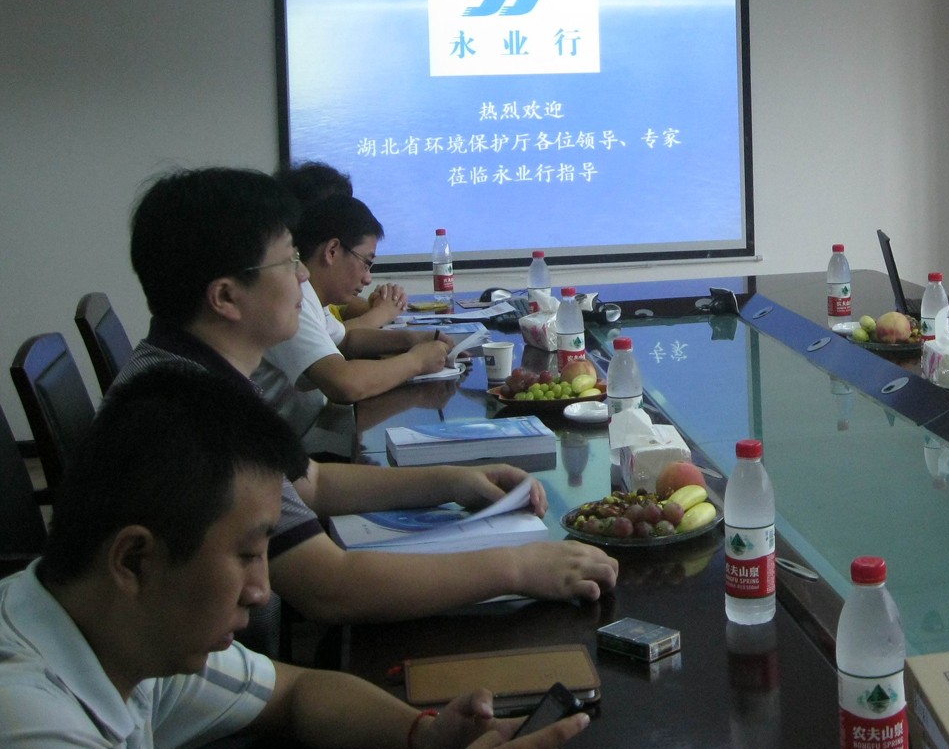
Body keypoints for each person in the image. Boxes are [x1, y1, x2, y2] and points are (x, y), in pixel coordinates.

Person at [0, 365, 586, 749]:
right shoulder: (29, 728)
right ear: (133, 561)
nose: (262, 591)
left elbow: (297, 694)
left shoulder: (126, 634)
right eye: (247, 555)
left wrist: (424, 737)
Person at [117, 167, 617, 625]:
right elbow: (331, 587)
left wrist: (457, 480)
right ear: (226, 297)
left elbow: (312, 484)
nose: (304, 276)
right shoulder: (195, 419)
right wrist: (518, 567)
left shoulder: (193, 377)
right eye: (289, 261)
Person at [252, 193, 450, 443]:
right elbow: (345, 384)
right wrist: (417, 361)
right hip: (281, 449)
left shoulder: (313, 297)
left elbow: (346, 340)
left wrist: (414, 339)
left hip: (305, 436)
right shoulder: (293, 297)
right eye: (366, 263)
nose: (368, 278)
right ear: (332, 251)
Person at [276, 161, 408, 329]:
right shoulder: (297, 291)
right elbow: (331, 340)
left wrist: (378, 306)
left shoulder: (320, 289)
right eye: (338, 206)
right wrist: (381, 313)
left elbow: (342, 317)